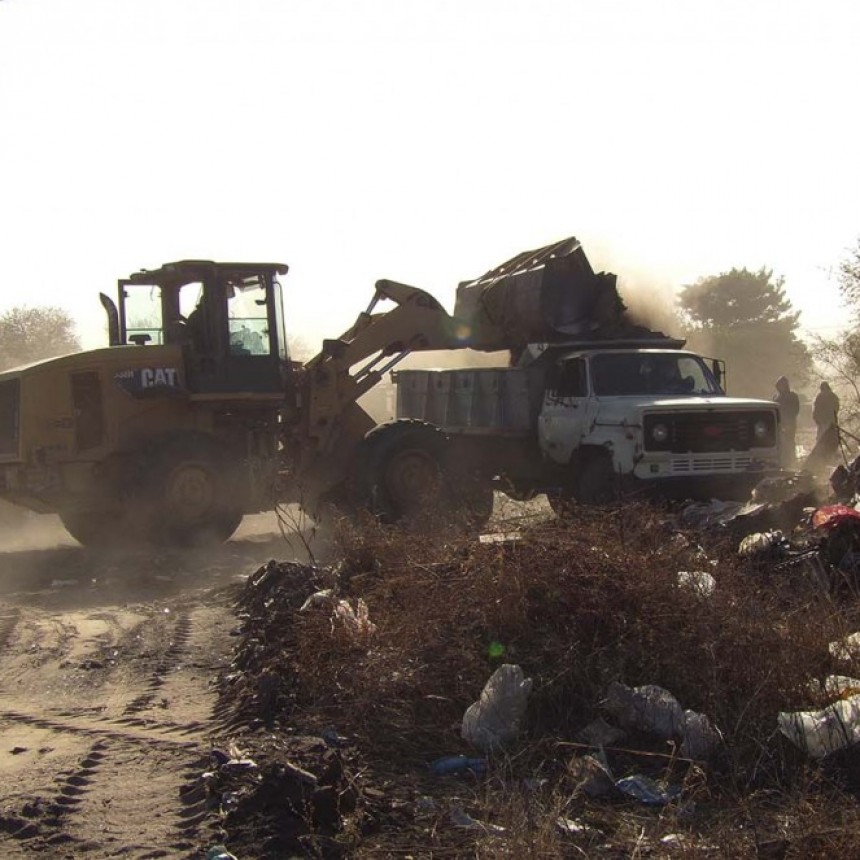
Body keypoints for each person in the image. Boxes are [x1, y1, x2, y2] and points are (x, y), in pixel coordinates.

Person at [773, 376, 800, 466]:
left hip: (789, 423)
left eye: (782, 385)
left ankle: (791, 461)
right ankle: (782, 461)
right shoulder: (776, 397)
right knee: (779, 443)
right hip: (779, 423)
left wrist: (789, 420)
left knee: (789, 442)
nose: (781, 387)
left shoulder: (792, 396)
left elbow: (795, 409)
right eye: (779, 385)